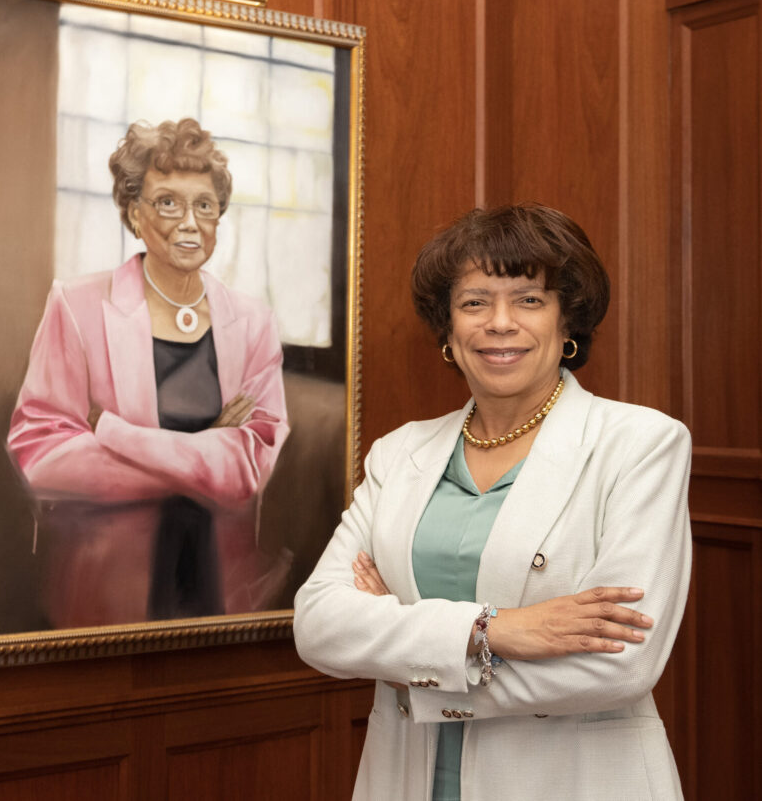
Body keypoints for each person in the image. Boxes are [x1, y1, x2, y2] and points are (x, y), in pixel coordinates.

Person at [294, 205, 691, 800]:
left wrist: (410, 668)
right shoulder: (399, 452)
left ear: (567, 323)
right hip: (409, 779)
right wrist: (500, 629)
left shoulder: (641, 444)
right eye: (474, 302)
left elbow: (620, 663)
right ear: (449, 331)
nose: (499, 323)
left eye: (529, 299)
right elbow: (319, 625)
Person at [8, 118, 290, 628]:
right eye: (168, 203)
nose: (189, 222)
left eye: (204, 205)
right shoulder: (76, 306)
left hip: (222, 590)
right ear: (135, 215)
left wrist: (115, 434)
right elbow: (42, 452)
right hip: (108, 589)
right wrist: (207, 450)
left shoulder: (252, 322)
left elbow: (248, 471)